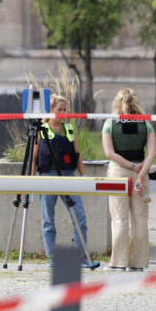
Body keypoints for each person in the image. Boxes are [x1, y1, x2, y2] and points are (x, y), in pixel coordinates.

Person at [31, 93, 99, 269]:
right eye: (59, 109)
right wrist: (30, 182)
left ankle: (81, 255)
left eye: (64, 109)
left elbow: (77, 155)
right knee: (48, 219)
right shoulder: (41, 129)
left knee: (80, 216)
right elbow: (33, 158)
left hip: (68, 175)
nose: (62, 112)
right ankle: (52, 256)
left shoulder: (69, 129)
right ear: (51, 110)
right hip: (47, 176)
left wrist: (83, 176)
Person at [101, 88, 156, 270]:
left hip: (118, 172)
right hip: (141, 170)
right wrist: (140, 173)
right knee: (140, 219)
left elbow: (109, 153)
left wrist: (130, 166)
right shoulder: (145, 123)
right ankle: (138, 262)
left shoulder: (110, 123)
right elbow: (152, 153)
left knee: (119, 218)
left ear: (117, 102)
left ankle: (119, 262)